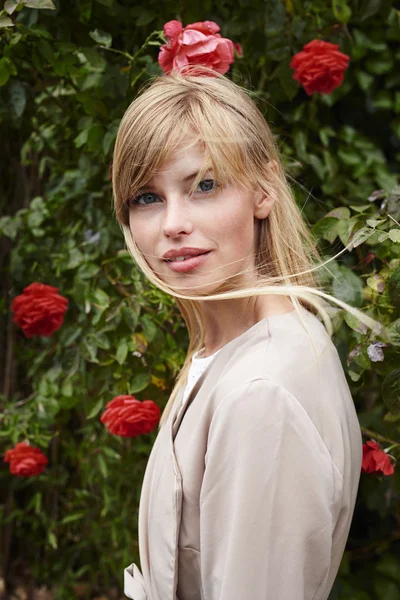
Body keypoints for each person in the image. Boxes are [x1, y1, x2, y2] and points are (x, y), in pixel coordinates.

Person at [111, 67, 381, 600]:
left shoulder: (263, 391)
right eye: (147, 197)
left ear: (263, 191)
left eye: (204, 185)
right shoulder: (222, 351)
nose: (172, 224)